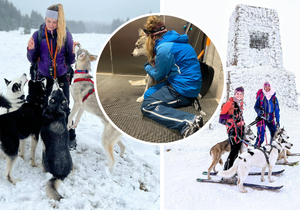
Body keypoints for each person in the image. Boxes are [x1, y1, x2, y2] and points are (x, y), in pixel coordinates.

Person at [140, 16, 203, 138]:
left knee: (147, 106)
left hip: (183, 88)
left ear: (152, 37)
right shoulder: (177, 42)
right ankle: (188, 100)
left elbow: (159, 75)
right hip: (185, 83)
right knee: (148, 95)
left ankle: (188, 122)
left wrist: (147, 66)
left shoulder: (164, 48)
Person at [27, 4, 78, 150]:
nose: (50, 24)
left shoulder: (66, 35)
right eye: (48, 21)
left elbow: (71, 60)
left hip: (62, 76)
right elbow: (32, 59)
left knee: (65, 107)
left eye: (54, 22)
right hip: (44, 77)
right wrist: (30, 50)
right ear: (45, 19)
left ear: (59, 22)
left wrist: (73, 53)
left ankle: (70, 137)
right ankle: (46, 136)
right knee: (44, 107)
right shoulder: (38, 35)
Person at [220, 87, 245, 171]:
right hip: (232, 130)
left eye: (241, 94)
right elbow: (221, 116)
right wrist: (231, 116)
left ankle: (233, 168)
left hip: (239, 129)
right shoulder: (229, 103)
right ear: (234, 94)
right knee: (234, 150)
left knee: (237, 150)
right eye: (237, 93)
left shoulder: (240, 103)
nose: (239, 95)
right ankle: (227, 169)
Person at [254, 81, 280, 147]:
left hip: (270, 118)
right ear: (263, 87)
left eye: (268, 86)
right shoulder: (261, 97)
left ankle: (272, 148)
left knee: (274, 134)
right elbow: (256, 106)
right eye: (265, 87)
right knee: (261, 136)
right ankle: (256, 150)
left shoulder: (274, 98)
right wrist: (259, 111)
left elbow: (277, 110)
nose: (267, 88)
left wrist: (277, 121)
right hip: (261, 118)